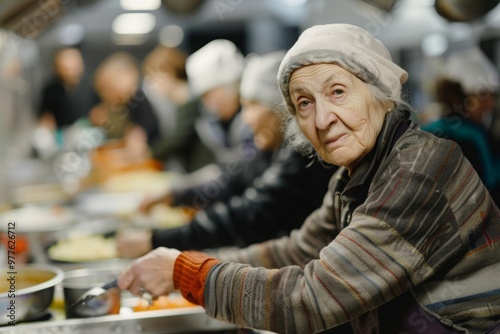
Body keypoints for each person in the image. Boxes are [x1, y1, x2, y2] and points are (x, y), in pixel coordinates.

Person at [118, 24, 500, 334]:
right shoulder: (354, 176)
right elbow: (296, 251)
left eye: (337, 92)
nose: (321, 119)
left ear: (381, 95)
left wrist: (188, 272)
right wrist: (186, 262)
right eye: (304, 103)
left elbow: (313, 297)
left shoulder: (418, 168)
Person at [116, 51, 336, 257]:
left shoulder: (301, 153)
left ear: (280, 108)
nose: (246, 120)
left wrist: (160, 239)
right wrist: (174, 193)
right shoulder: (271, 148)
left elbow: (249, 213)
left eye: (251, 106)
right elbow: (230, 177)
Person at [151, 39, 255, 174]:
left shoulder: (250, 122)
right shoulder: (214, 124)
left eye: (208, 95)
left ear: (230, 86)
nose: (207, 104)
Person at [421, 46, 500, 205]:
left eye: (492, 96)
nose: (490, 104)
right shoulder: (463, 137)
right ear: (459, 96)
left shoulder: (431, 131)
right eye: (483, 96)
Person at [38, 47, 98, 131]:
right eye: (66, 68)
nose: (71, 72)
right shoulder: (51, 90)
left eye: (74, 67)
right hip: (61, 135)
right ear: (58, 67)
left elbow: (98, 110)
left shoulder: (91, 85)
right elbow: (46, 115)